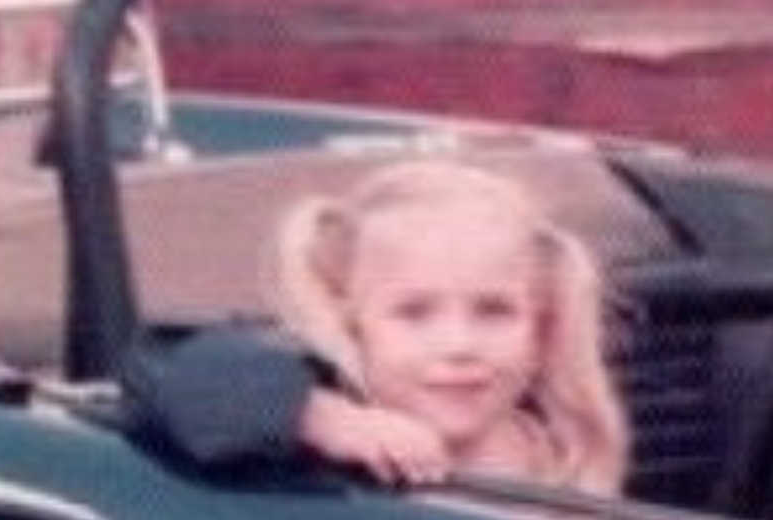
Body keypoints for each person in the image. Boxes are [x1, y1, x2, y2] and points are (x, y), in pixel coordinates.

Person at [122, 161, 628, 497]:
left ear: (541, 333)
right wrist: (318, 416)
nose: (459, 345)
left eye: (494, 312)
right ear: (353, 325)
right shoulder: (332, 431)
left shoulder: (563, 458)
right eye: (414, 313)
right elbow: (161, 369)